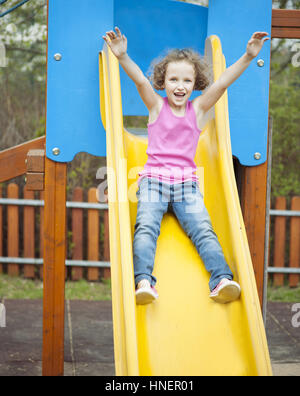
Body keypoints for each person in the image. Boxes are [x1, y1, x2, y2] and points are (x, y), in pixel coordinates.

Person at [102, 27, 269, 305]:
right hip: (153, 181)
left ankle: (221, 279)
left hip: (185, 185)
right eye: (173, 79)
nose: (180, 86)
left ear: (195, 83)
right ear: (164, 82)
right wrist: (122, 57)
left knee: (203, 228)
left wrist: (248, 56)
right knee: (145, 227)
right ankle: (143, 280)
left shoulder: (199, 110)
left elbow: (222, 83)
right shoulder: (156, 107)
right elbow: (141, 82)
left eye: (187, 81)